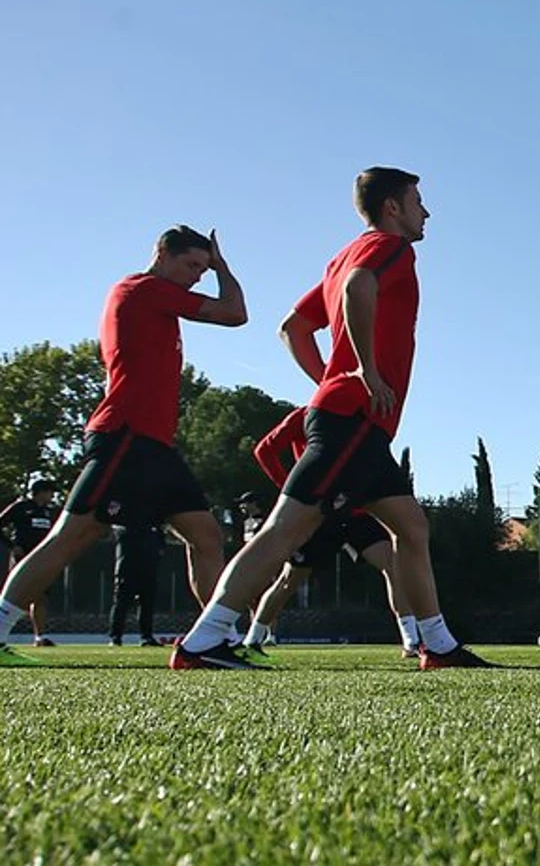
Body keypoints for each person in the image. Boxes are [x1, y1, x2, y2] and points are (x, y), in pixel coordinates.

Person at [171, 168, 488, 670]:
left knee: (412, 527)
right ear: (392, 208)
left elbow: (293, 328)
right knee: (283, 531)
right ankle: (202, 641)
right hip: (353, 421)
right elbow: (358, 289)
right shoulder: (389, 249)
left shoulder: (340, 258)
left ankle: (438, 644)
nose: (426, 212)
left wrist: (329, 381)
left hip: (354, 420)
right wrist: (361, 371)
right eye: (418, 201)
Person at [0, 226, 247, 665]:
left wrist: (212, 266)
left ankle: (213, 639)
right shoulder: (144, 289)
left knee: (206, 535)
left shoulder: (159, 299)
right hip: (124, 438)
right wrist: (223, 268)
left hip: (154, 446)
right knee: (71, 537)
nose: (196, 277)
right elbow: (234, 313)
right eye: (192, 265)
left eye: (203, 269)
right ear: (162, 254)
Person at [240, 406, 420, 659]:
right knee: (289, 581)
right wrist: (292, 491)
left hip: (356, 513)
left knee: (393, 564)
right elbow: (264, 450)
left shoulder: (366, 420)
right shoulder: (306, 415)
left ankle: (411, 641)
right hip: (318, 514)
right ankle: (253, 640)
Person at [2, 479, 61, 646]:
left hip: (42, 558)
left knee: (40, 597)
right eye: (50, 492)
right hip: (23, 558)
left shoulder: (50, 512)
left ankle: (39, 637)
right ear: (41, 492)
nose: (52, 496)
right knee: (15, 597)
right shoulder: (21, 507)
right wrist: (12, 546)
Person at [109, 520, 164, 647]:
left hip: (148, 568)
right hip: (127, 568)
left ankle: (146, 637)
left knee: (147, 604)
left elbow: (160, 543)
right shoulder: (124, 524)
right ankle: (115, 637)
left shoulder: (153, 527)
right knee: (121, 603)